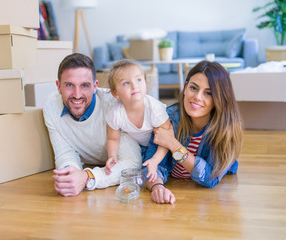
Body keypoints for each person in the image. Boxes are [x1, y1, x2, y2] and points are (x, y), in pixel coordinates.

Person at [144, 60, 243, 204]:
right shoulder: (168, 118)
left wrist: (173, 144)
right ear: (185, 87)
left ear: (219, 99)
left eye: (208, 93)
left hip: (207, 203)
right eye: (193, 88)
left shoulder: (226, 129)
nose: (197, 97)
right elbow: (151, 166)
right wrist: (157, 187)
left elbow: (210, 178)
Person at [43, 53, 142, 197]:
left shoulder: (116, 107)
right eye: (69, 85)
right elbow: (65, 153)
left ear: (95, 86)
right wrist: (70, 175)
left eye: (84, 85)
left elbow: (131, 163)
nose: (77, 95)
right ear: (58, 87)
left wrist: (87, 177)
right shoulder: (51, 107)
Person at [104, 59, 171, 183]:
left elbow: (168, 138)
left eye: (139, 80)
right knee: (139, 163)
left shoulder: (154, 108)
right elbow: (113, 138)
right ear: (115, 93)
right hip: (140, 145)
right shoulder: (115, 113)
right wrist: (112, 156)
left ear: (145, 82)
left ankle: (160, 174)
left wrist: (155, 160)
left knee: (152, 167)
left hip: (161, 140)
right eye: (126, 83)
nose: (134, 86)